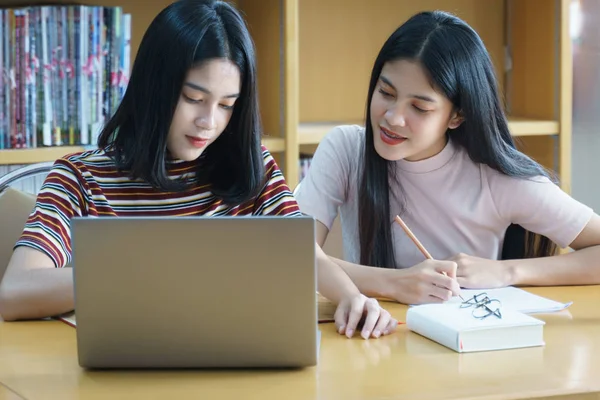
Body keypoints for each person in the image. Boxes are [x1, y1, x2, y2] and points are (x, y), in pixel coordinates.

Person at [0, 0, 397, 339]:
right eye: (194, 98)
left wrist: (351, 297)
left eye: (227, 105)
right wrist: (136, 276)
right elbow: (16, 291)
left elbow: (303, 254)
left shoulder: (250, 165)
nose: (210, 121)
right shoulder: (82, 178)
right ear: (155, 88)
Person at [295, 10, 600, 305]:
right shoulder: (346, 150)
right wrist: (394, 283)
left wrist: (507, 271)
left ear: (457, 116)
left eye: (420, 108)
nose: (393, 118)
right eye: (386, 93)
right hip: (375, 342)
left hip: (469, 349)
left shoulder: (497, 178)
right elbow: (291, 254)